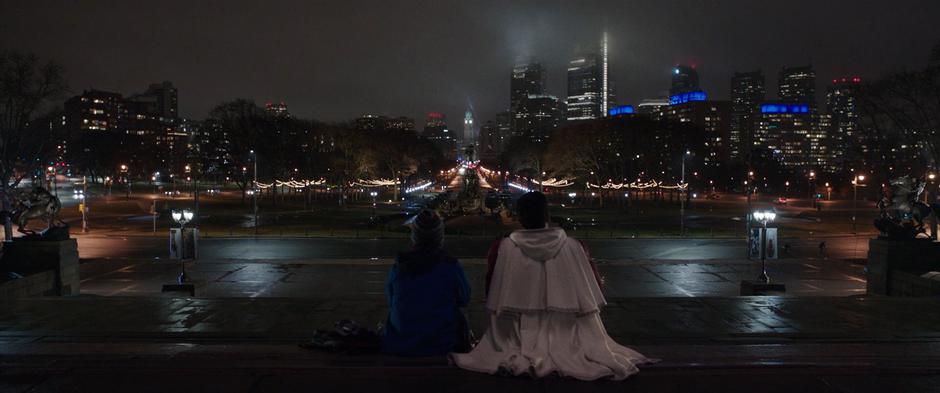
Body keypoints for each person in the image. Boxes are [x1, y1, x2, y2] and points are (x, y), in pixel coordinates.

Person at [452, 192, 654, 380]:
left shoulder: (504, 247)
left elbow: (492, 289)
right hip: (565, 329)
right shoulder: (574, 246)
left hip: (518, 330)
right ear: (546, 214)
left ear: (520, 216)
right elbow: (592, 291)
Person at [382, 209, 471, 356]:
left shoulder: (399, 267)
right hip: (443, 343)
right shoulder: (450, 266)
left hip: (401, 342)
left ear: (414, 236)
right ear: (439, 237)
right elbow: (464, 298)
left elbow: (391, 299)